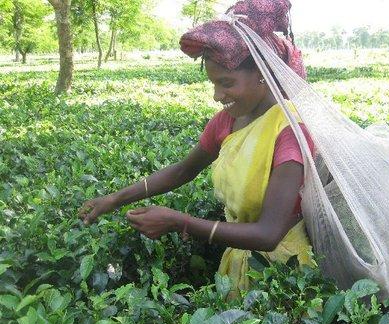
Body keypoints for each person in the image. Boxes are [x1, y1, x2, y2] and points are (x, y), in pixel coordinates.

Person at [78, 0, 315, 300]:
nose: (218, 96)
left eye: (226, 83)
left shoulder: (290, 131)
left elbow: (268, 234)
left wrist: (179, 221)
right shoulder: (226, 122)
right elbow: (183, 170)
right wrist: (114, 199)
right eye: (213, 84)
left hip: (285, 276)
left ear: (262, 72)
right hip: (238, 263)